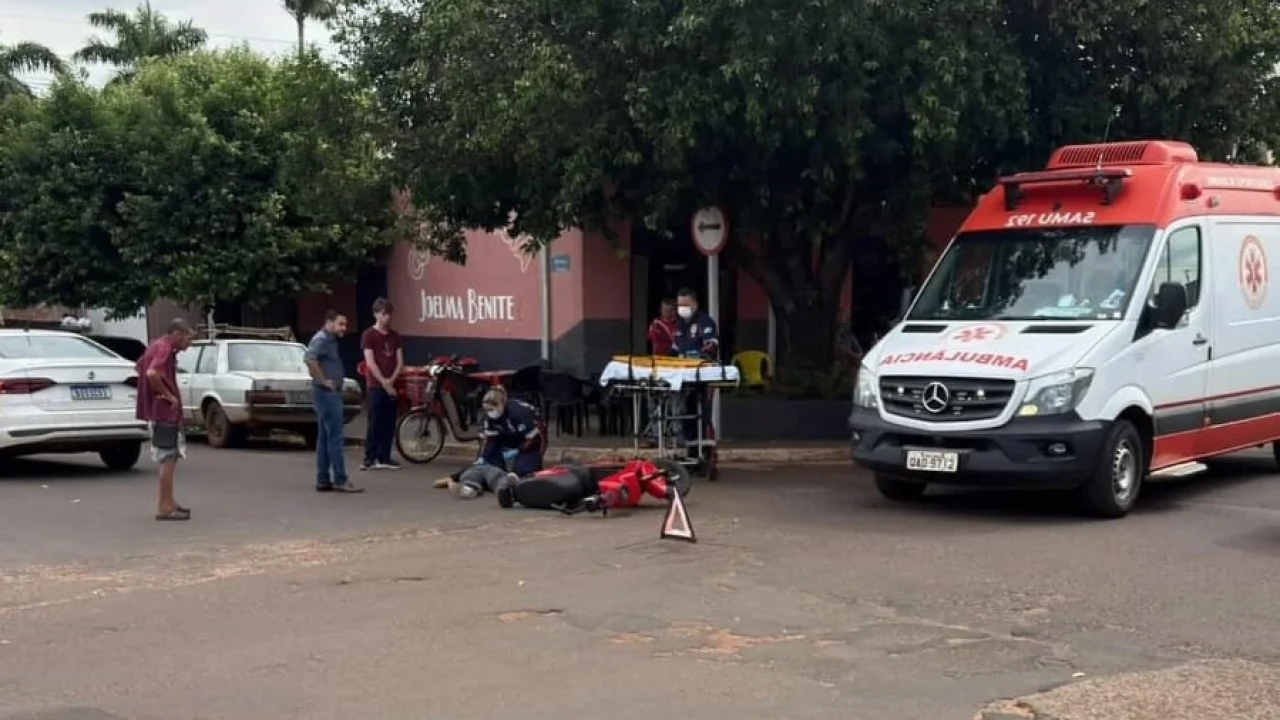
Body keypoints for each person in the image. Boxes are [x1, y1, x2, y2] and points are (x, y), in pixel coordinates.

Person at [136, 318, 195, 521]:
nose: (189, 343)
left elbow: (140, 367)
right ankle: (164, 506)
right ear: (177, 334)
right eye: (188, 338)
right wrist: (167, 395)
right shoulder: (165, 348)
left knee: (170, 457)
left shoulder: (156, 345)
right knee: (168, 459)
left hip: (160, 411)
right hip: (164, 412)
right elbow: (152, 373)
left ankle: (169, 502)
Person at [305, 310, 364, 494]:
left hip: (328, 392)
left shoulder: (328, 341)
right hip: (327, 394)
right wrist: (323, 381)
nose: (344, 328)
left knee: (324, 437)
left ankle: (323, 479)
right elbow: (309, 359)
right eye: (340, 324)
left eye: (345, 325)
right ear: (329, 323)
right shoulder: (321, 339)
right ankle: (340, 479)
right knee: (335, 437)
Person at [472, 387, 543, 498]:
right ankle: (497, 476)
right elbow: (489, 439)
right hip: (506, 437)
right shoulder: (489, 417)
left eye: (492, 409)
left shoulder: (519, 412)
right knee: (489, 465)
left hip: (529, 440)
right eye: (487, 410)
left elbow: (533, 438)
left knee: (524, 472)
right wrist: (483, 457)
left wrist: (518, 450)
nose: (490, 413)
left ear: (502, 405)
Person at [360, 298, 404, 471]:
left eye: (389, 314)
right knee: (375, 421)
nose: (387, 318)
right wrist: (384, 382)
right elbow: (370, 362)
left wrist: (391, 380)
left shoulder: (395, 336)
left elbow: (399, 361)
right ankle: (370, 458)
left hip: (391, 384)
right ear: (376, 314)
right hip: (375, 385)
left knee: (389, 421)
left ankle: (384, 456)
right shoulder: (369, 335)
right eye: (384, 314)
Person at [672, 288, 719, 447]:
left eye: (685, 304)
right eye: (679, 304)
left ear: (694, 304)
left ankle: (707, 451)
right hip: (684, 377)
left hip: (703, 377)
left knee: (704, 414)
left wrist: (697, 358)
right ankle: (690, 448)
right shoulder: (680, 325)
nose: (681, 308)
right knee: (687, 413)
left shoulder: (705, 322)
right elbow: (675, 350)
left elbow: (711, 347)